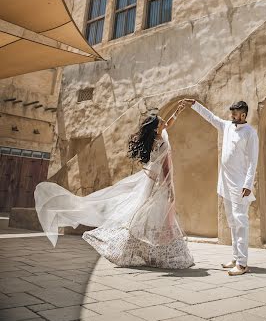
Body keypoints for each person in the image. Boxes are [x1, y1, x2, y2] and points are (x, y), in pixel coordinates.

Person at [34, 105, 194, 269]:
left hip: (150, 182)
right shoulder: (162, 144)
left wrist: (177, 111)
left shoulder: (155, 141)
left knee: (142, 217)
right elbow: (166, 169)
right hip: (158, 184)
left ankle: (142, 252)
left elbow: (167, 125)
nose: (164, 122)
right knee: (160, 220)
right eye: (161, 122)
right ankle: (163, 256)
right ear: (156, 129)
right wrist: (170, 190)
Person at [180, 99, 258, 275]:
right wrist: (194, 104)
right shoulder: (227, 126)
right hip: (225, 183)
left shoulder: (250, 133)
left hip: (240, 185)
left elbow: (253, 161)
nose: (232, 116)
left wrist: (248, 184)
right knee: (232, 221)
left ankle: (243, 264)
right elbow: (211, 117)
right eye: (232, 113)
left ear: (243, 115)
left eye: (235, 113)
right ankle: (236, 257)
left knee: (240, 221)